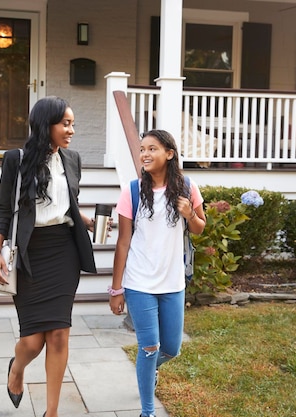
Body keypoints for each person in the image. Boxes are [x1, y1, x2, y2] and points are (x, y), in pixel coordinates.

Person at [0, 96, 97, 417]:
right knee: (33, 343)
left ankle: (52, 412)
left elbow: (65, 204)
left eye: (72, 124)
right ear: (45, 124)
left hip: (64, 252)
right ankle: (17, 369)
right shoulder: (16, 160)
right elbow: (4, 209)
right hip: (30, 255)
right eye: (65, 123)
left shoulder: (73, 159)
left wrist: (83, 219)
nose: (71, 130)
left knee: (60, 334)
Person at [109, 129, 206, 417]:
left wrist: (190, 214)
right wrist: (117, 289)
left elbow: (200, 227)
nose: (145, 154)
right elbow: (123, 241)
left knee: (171, 349)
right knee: (149, 346)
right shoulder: (132, 191)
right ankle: (147, 411)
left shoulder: (188, 187)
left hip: (173, 282)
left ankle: (149, 371)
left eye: (152, 148)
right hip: (139, 282)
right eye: (142, 149)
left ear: (169, 154)